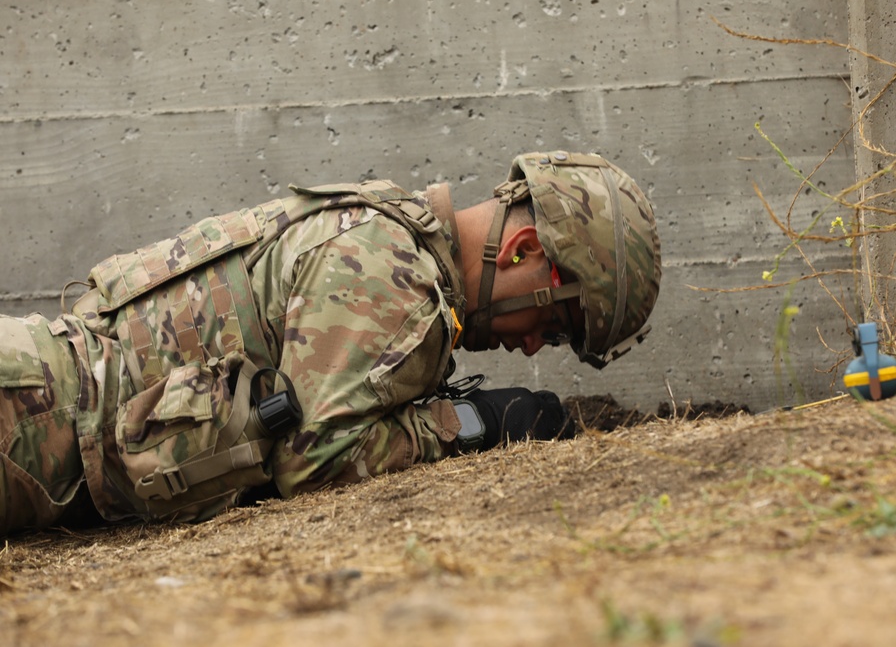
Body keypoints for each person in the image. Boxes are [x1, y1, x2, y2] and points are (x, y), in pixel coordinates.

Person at [0, 150, 661, 535]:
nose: (529, 348)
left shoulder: (387, 231)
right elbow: (315, 460)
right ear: (522, 251)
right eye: (551, 325)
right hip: (33, 415)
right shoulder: (396, 278)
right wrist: (472, 420)